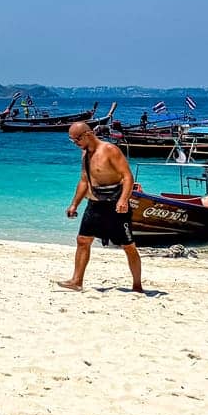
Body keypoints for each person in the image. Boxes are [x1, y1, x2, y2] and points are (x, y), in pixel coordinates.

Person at [60, 121, 143, 293]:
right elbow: (84, 181)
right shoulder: (85, 154)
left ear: (88, 134)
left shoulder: (109, 150)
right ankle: (76, 281)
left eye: (76, 139)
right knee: (83, 240)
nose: (75, 143)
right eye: (72, 140)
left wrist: (123, 200)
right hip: (95, 203)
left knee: (128, 246)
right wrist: (74, 204)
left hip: (115, 204)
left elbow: (127, 177)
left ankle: (137, 285)